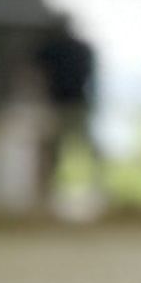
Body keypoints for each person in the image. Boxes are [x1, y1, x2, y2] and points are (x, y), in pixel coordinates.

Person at [31, 12, 95, 195]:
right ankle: (45, 190)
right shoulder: (53, 49)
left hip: (66, 104)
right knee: (52, 148)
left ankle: (95, 187)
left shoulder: (52, 48)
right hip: (61, 104)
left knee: (79, 146)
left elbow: (33, 73)